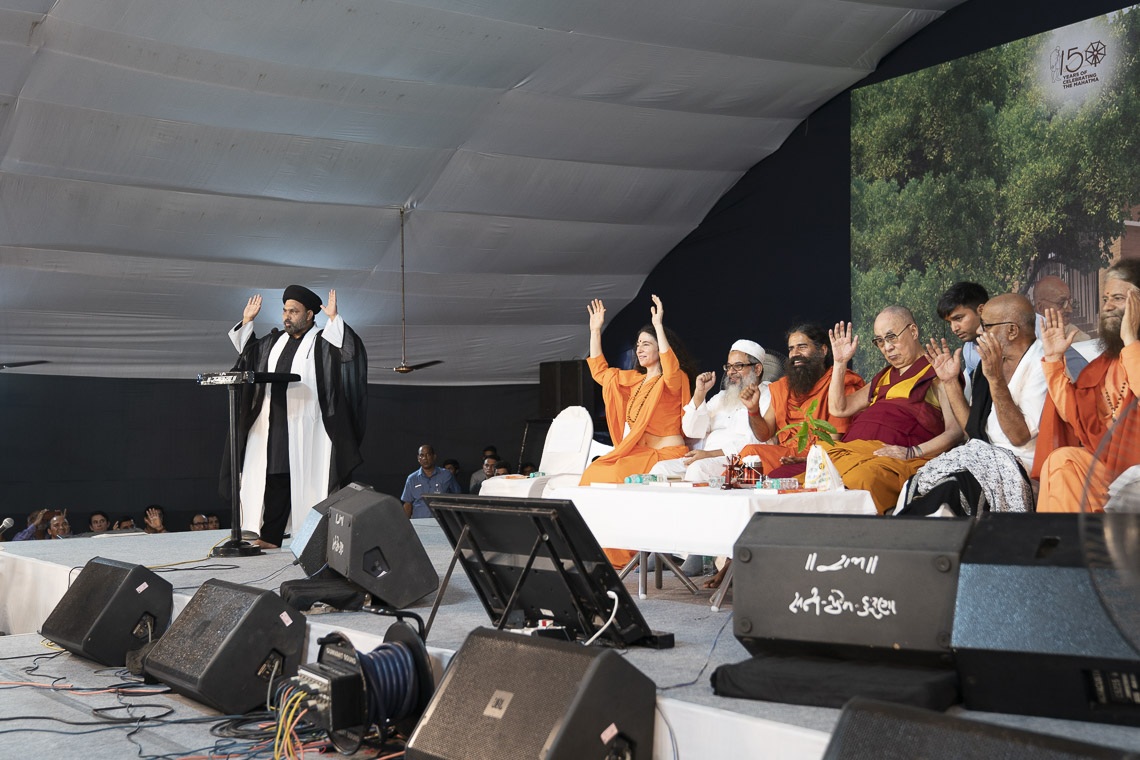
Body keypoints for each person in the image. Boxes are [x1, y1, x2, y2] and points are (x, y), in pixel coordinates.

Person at [225, 286, 368, 548]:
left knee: (310, 479)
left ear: (310, 314)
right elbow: (248, 355)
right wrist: (247, 321)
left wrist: (335, 320)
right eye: (285, 311)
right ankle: (270, 536)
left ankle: (314, 537)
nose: (286, 317)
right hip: (273, 422)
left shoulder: (322, 341)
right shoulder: (273, 341)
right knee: (275, 474)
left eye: (294, 311)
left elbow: (348, 352)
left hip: (310, 424)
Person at [580, 295, 694, 566]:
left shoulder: (674, 380)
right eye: (638, 344)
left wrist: (658, 325)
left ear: (661, 348)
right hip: (639, 453)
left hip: (666, 454)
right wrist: (595, 330)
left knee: (614, 473)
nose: (640, 349)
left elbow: (671, 367)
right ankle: (599, 548)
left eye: (647, 343)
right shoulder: (634, 381)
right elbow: (600, 372)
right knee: (594, 471)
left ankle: (621, 553)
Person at [908, 294, 1047, 514]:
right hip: (982, 456)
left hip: (1020, 465)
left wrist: (996, 379)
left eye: (987, 326)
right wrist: (950, 382)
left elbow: (1019, 436)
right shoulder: (991, 365)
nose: (980, 332)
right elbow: (973, 431)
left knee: (952, 488)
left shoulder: (1043, 364)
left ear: (1012, 330)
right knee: (920, 482)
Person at [825, 307, 964, 513]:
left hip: (894, 460)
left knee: (860, 480)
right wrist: (839, 363)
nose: (887, 347)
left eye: (891, 338)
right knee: (808, 472)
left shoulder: (937, 372)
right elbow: (839, 407)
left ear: (914, 332)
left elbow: (956, 431)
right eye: (880, 341)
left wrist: (912, 452)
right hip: (854, 452)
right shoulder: (883, 377)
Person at [1034, 260, 1140, 513]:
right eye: (1105, 299)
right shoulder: (1104, 364)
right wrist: (1053, 359)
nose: (1107, 307)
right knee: (1063, 462)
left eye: (1117, 298)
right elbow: (1076, 416)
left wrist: (1131, 340)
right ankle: (1062, 548)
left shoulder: (1131, 352)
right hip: (1111, 466)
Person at [738, 324, 865, 477]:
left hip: (821, 459)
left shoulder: (839, 384)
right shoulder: (783, 387)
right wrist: (753, 411)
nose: (795, 354)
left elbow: (834, 442)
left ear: (823, 350)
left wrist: (806, 459)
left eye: (802, 347)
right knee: (751, 453)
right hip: (786, 456)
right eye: (791, 349)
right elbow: (764, 435)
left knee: (751, 457)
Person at [649, 339, 770, 482]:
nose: (731, 372)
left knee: (697, 470)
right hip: (704, 457)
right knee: (659, 470)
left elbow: (756, 441)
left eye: (738, 366)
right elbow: (692, 431)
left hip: (737, 461)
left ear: (757, 369)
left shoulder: (768, 395)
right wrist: (700, 394)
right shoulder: (722, 397)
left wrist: (710, 455)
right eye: (729, 366)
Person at [1031, 274, 1092, 378]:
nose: (1069, 309)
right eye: (1061, 303)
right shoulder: (1031, 336)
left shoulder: (1076, 335)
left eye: (1069, 302)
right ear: (1041, 308)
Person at [936, 282, 988, 379]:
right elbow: (971, 392)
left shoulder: (1008, 344)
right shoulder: (968, 349)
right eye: (949, 323)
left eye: (958, 318)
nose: (954, 329)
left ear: (981, 310)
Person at [401, 444, 461, 518]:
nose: (425, 458)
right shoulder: (412, 479)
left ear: (434, 456)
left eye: (428, 455)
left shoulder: (446, 475)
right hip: (419, 523)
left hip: (443, 522)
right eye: (422, 455)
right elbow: (407, 504)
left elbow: (457, 497)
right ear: (418, 458)